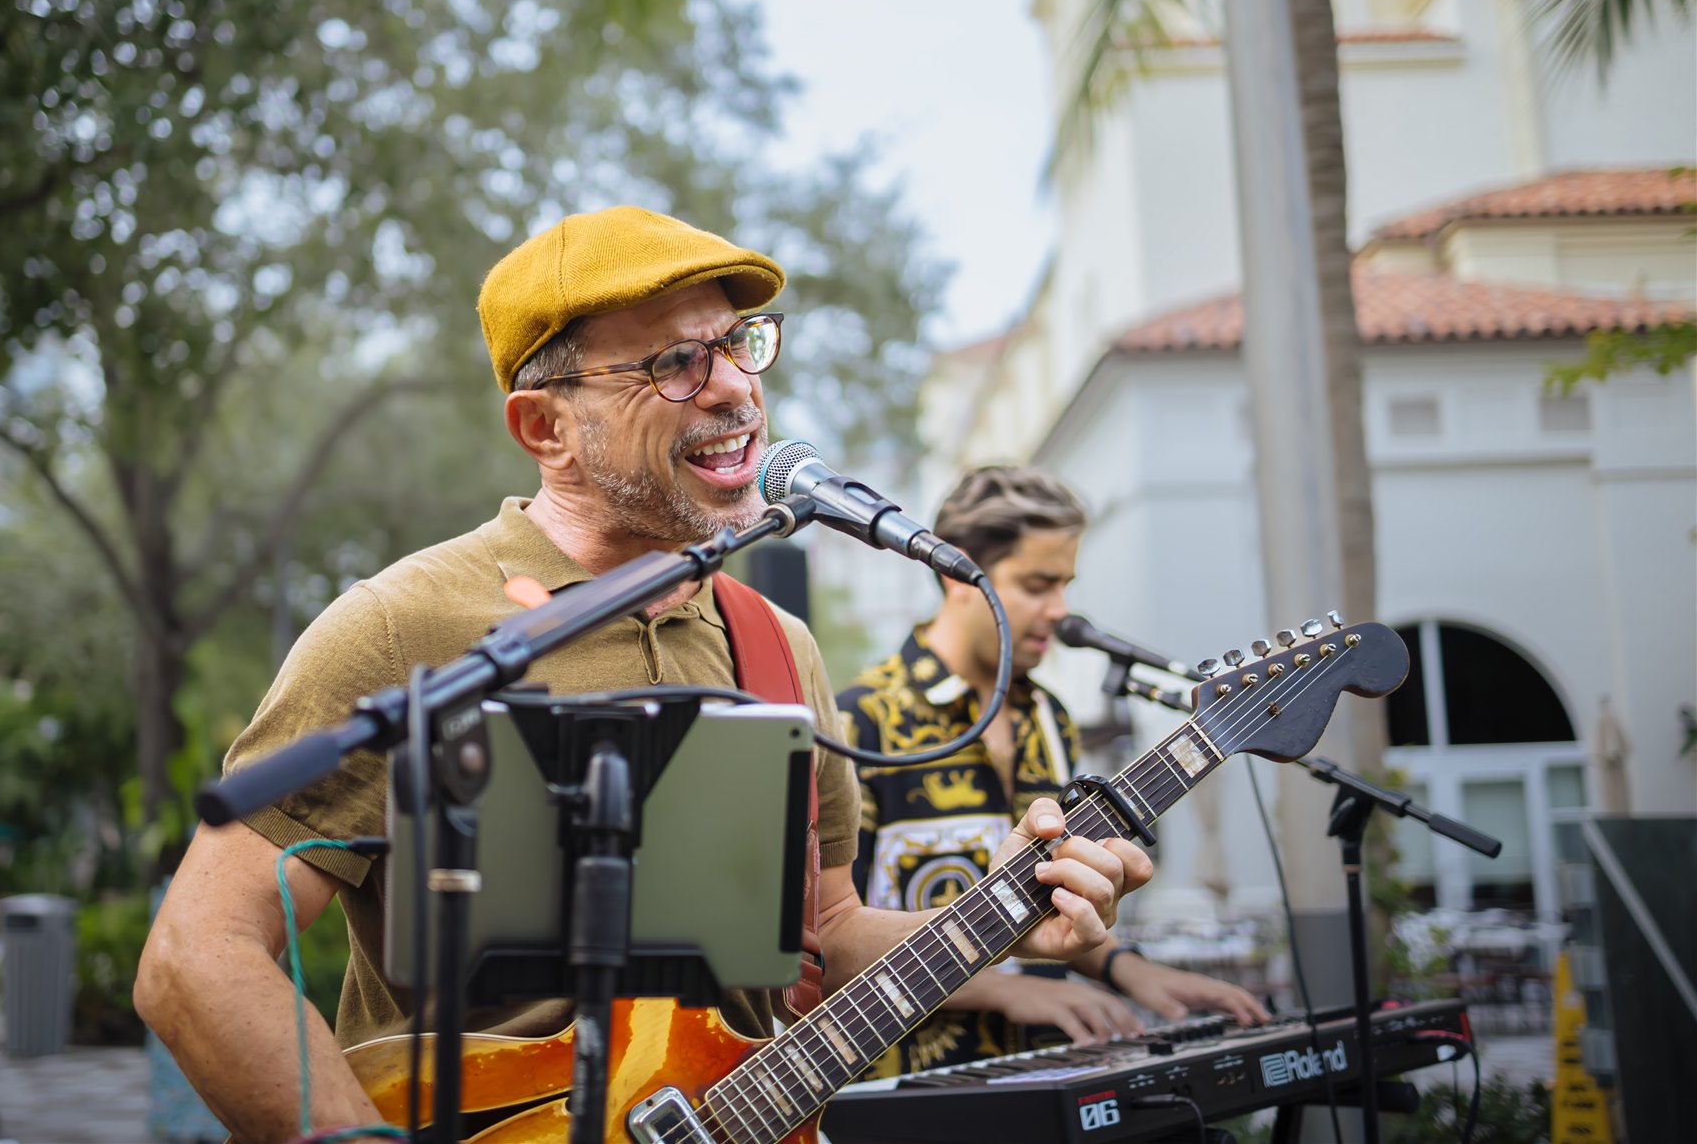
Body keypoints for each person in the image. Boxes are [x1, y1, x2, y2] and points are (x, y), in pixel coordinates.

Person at [135, 208, 1153, 1142]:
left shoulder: (775, 646)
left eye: (739, 345)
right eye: (674, 362)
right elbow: (197, 955)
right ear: (545, 428)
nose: (734, 387)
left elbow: (828, 931)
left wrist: (1019, 914)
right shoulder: (404, 626)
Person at [839, 463, 1268, 1079]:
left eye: (1065, 584)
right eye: (1038, 585)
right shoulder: (861, 721)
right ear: (956, 572)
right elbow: (825, 947)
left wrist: (1133, 971)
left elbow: (1047, 901)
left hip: (1047, 1072)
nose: (1060, 611)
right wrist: (1005, 988)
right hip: (903, 1091)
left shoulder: (1050, 720)